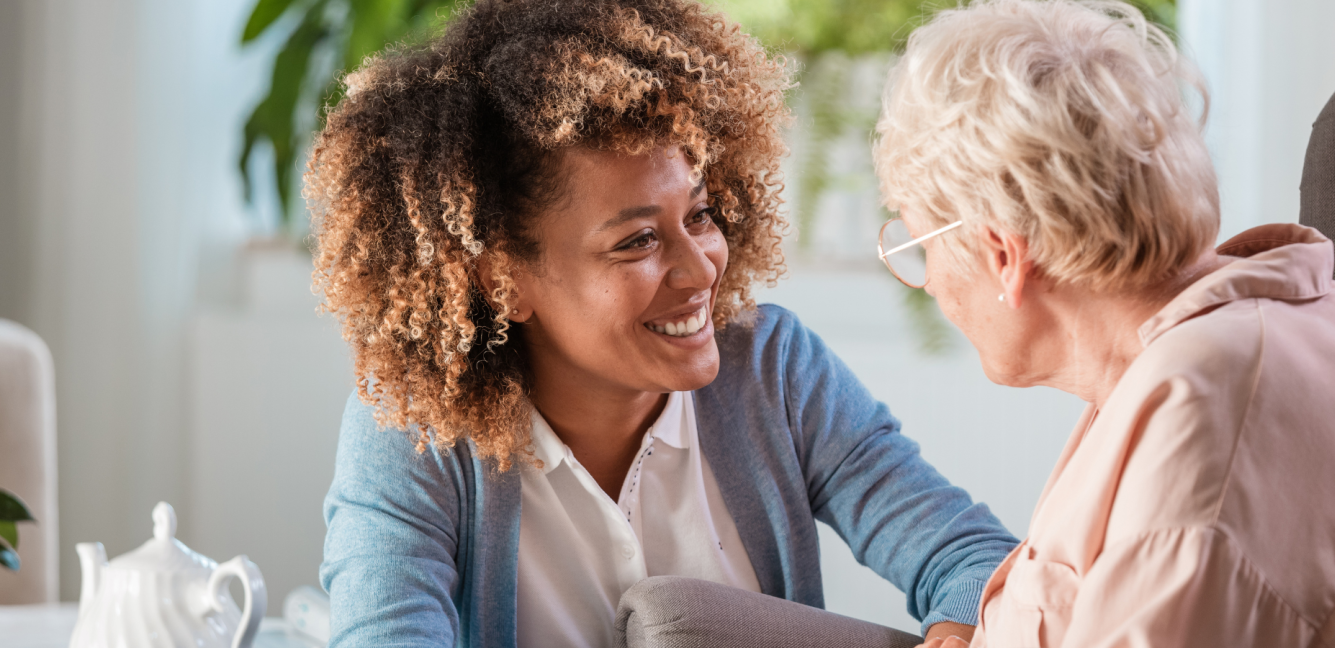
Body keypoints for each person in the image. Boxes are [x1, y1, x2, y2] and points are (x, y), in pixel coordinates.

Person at [308, 1, 1018, 646]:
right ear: (503, 280)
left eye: (700, 216)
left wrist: (962, 630)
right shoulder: (413, 434)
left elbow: (973, 560)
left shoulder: (772, 370)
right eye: (637, 241)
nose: (702, 269)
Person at [872, 1, 1335, 646]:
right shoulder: (1187, 358)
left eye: (922, 247)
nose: (933, 285)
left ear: (1003, 254)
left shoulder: (1212, 420)